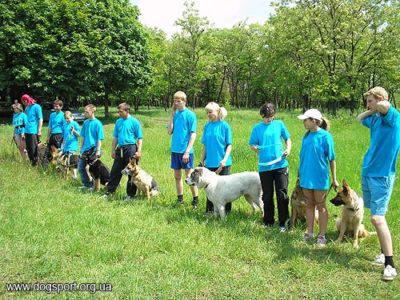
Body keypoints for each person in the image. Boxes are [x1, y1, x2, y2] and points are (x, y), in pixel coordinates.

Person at [357, 87, 399, 281]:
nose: (368, 104)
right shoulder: (374, 118)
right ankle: (383, 253)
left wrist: (379, 104)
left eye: (371, 101)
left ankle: (390, 265)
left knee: (377, 218)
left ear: (380, 99)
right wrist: (372, 109)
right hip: (368, 171)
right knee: (377, 215)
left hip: (382, 175)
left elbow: (386, 105)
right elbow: (359, 118)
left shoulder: (393, 118)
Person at [297, 109, 339, 246]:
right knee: (309, 204)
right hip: (306, 177)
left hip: (320, 177)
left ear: (314, 121)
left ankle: (322, 235)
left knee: (320, 205)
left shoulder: (326, 136)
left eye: (305, 120)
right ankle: (309, 232)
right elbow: (303, 157)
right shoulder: (306, 136)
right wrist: (299, 174)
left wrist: (334, 178)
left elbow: (332, 159)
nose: (304, 122)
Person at [249, 103, 291, 232]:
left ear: (274, 115)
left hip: (280, 165)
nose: (269, 119)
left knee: (282, 194)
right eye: (266, 117)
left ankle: (284, 222)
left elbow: (287, 138)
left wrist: (288, 149)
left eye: (271, 116)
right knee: (267, 195)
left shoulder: (279, 124)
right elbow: (252, 144)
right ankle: (268, 221)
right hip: (265, 167)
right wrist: (255, 148)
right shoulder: (257, 128)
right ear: (262, 115)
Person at [103, 103, 143, 201]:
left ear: (127, 111)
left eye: (121, 111)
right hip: (120, 149)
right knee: (115, 171)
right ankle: (109, 192)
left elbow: (140, 138)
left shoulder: (134, 122)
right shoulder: (118, 122)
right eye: (119, 111)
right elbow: (115, 137)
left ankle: (130, 195)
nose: (119, 113)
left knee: (131, 172)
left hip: (130, 148)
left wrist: (139, 151)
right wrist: (113, 150)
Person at [167, 91, 198, 207]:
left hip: (186, 152)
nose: (176, 103)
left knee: (190, 176)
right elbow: (169, 131)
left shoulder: (190, 115)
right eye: (175, 101)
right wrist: (171, 115)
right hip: (175, 150)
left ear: (184, 101)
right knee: (177, 176)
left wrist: (187, 151)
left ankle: (195, 200)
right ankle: (180, 199)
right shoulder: (175, 115)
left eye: (178, 101)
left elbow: (193, 134)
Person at [200, 102, 232, 214]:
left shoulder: (225, 126)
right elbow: (204, 146)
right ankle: (210, 211)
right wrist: (201, 161)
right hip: (209, 163)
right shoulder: (207, 126)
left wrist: (224, 160)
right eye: (207, 112)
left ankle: (226, 211)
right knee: (209, 188)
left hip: (223, 163)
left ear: (218, 112)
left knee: (224, 188)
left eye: (210, 112)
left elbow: (229, 145)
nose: (208, 114)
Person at [78, 104, 104, 190]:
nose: (85, 113)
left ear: (92, 111)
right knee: (81, 167)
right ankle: (87, 184)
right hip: (85, 150)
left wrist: (98, 150)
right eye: (84, 111)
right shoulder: (85, 123)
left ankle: (96, 186)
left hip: (93, 150)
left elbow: (99, 139)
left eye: (87, 111)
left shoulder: (98, 123)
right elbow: (82, 137)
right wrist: (81, 148)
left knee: (93, 169)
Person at [20, 94, 43, 166]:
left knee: (34, 148)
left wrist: (39, 130)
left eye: (25, 101)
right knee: (29, 148)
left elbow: (40, 119)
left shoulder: (37, 107)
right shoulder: (27, 108)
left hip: (33, 131)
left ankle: (36, 164)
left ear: (28, 100)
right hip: (26, 131)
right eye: (23, 102)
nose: (24, 103)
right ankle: (32, 163)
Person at [61, 111, 81, 178]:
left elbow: (79, 135)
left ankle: (74, 175)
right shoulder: (64, 125)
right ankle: (66, 175)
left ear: (72, 117)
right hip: (65, 146)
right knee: (65, 161)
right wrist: (62, 145)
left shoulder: (74, 124)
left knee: (71, 160)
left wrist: (74, 130)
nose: (67, 120)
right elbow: (64, 136)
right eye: (65, 118)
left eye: (68, 118)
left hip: (72, 146)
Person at [44, 98, 65, 164]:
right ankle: (47, 167)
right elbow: (50, 126)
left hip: (59, 135)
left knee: (58, 152)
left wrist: (64, 138)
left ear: (61, 107)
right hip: (52, 135)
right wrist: (48, 137)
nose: (55, 107)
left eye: (57, 106)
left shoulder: (63, 115)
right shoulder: (52, 115)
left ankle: (59, 167)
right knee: (48, 151)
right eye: (54, 106)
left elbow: (65, 127)